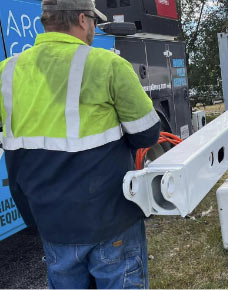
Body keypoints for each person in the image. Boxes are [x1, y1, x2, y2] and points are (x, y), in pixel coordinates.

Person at [0, 0, 160, 288]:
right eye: (94, 22)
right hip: (111, 222)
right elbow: (147, 134)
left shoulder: (7, 72)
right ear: (83, 20)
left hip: (51, 225)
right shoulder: (109, 65)